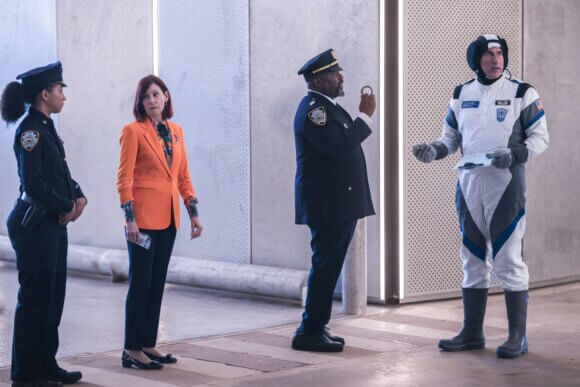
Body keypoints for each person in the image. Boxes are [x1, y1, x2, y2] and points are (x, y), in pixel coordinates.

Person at [412, 34, 549, 358]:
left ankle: (518, 337)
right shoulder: (461, 94)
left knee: (508, 260)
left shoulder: (521, 92)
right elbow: (450, 138)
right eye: (488, 54)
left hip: (505, 185)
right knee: (472, 259)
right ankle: (472, 333)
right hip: (469, 185)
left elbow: (541, 138)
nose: (495, 59)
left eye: (499, 53)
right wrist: (433, 150)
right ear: (476, 60)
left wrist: (515, 154)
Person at [1, 61, 86, 386]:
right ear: (44, 93)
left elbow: (59, 173)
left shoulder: (46, 127)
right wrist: (67, 206)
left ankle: (46, 364)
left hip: (52, 224)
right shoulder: (31, 131)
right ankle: (25, 375)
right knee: (35, 300)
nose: (64, 94)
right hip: (34, 226)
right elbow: (33, 183)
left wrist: (78, 196)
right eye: (60, 88)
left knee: (53, 299)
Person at [291, 49, 376, 352]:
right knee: (325, 266)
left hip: (338, 203)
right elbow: (339, 148)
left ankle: (316, 326)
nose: (341, 78)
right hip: (328, 205)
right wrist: (365, 115)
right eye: (334, 74)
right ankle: (309, 331)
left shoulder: (331, 108)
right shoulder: (316, 110)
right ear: (317, 80)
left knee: (329, 266)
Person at [116, 75, 202, 369]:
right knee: (140, 284)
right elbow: (124, 179)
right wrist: (129, 219)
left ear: (166, 96)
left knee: (156, 284)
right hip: (141, 221)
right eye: (145, 96)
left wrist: (193, 212)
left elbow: (182, 177)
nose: (151, 101)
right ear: (140, 103)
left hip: (169, 219)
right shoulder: (133, 131)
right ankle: (131, 348)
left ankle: (148, 344)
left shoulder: (176, 131)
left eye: (156, 94)